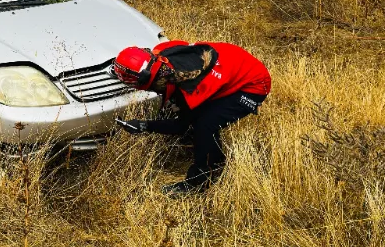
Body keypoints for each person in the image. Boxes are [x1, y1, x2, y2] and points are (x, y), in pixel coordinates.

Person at [111, 40, 272, 195]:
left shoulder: (190, 89)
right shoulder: (162, 51)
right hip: (236, 62)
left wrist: (145, 125)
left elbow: (180, 126)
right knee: (196, 116)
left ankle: (202, 179)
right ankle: (205, 151)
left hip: (254, 84)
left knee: (205, 125)